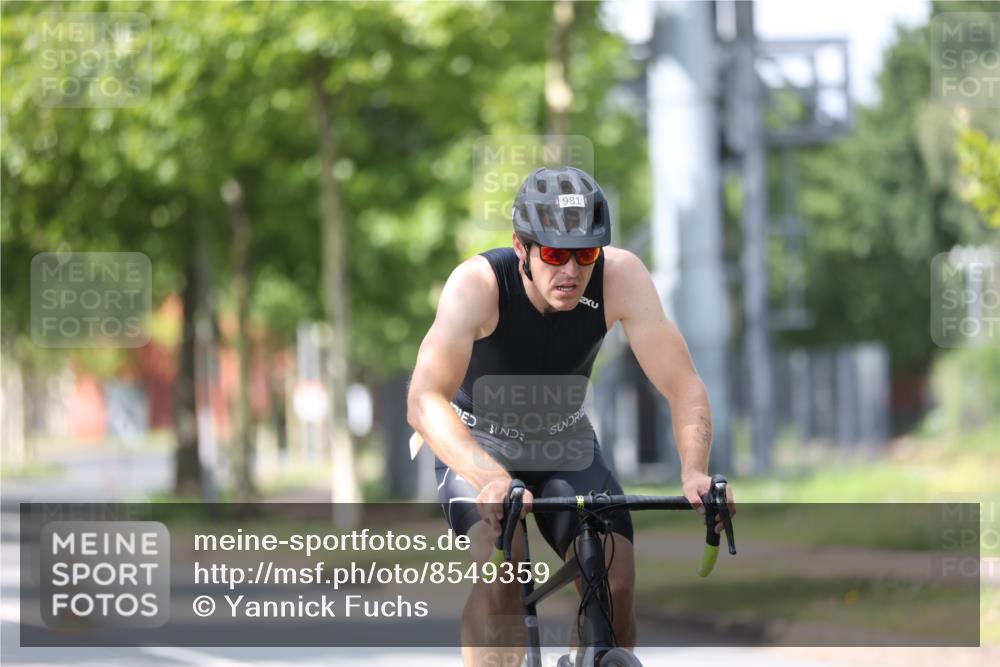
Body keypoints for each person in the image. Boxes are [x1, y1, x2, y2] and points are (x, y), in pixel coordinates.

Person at [407, 166, 734, 666]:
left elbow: (683, 383)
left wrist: (694, 470)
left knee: (616, 583)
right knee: (504, 579)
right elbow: (424, 399)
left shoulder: (621, 277)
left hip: (564, 440)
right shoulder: (478, 285)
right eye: (556, 254)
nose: (572, 270)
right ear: (522, 247)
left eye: (586, 254)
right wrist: (487, 476)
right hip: (479, 443)